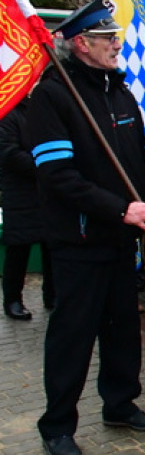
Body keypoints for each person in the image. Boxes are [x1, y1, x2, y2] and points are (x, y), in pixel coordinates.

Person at [27, 0, 145, 455]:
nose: (117, 45)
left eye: (116, 37)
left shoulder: (120, 91)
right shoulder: (53, 95)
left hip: (121, 239)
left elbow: (141, 158)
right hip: (80, 239)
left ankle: (120, 404)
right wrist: (119, 208)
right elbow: (58, 175)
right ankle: (58, 424)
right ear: (81, 44)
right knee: (74, 333)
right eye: (108, 38)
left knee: (123, 326)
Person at [1, 96, 53, 319]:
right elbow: (9, 153)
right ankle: (12, 299)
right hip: (20, 193)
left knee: (51, 245)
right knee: (18, 249)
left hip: (46, 192)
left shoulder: (36, 109)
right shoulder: (8, 115)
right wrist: (45, 166)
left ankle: (53, 295)